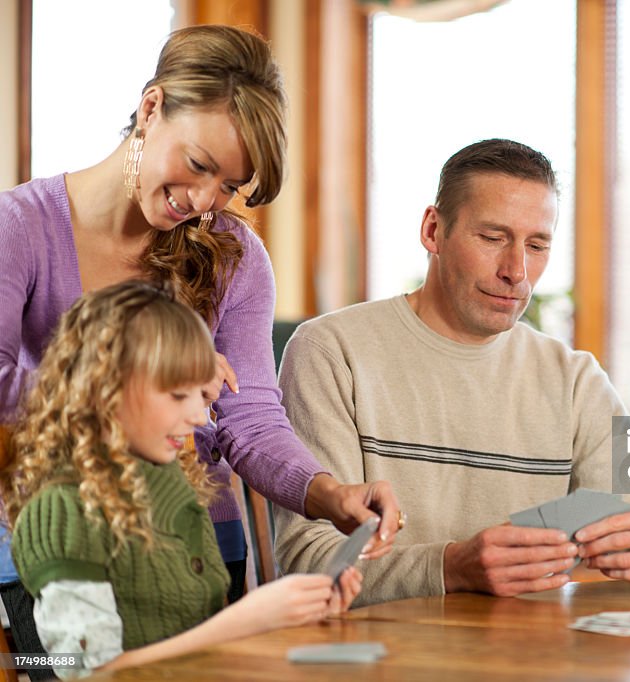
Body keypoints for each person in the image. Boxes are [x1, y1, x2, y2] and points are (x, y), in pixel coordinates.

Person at [0, 24, 398, 672]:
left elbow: (251, 419)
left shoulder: (235, 257)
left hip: (196, 541)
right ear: (152, 108)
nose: (207, 202)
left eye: (231, 187)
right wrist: (130, 376)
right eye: (200, 165)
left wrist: (330, 495)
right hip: (58, 549)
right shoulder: (18, 229)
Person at [273, 139, 630, 605]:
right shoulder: (330, 351)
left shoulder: (572, 379)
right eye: (492, 238)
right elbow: (309, 557)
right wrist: (452, 567)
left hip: (528, 660)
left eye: (537, 245)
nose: (517, 271)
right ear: (433, 230)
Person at [2, 281, 363, 679]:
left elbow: (200, 640)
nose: (197, 416)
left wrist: (289, 616)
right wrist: (244, 621)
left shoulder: (173, 483)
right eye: (178, 396)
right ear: (104, 392)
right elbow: (86, 671)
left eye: (201, 395)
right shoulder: (61, 511)